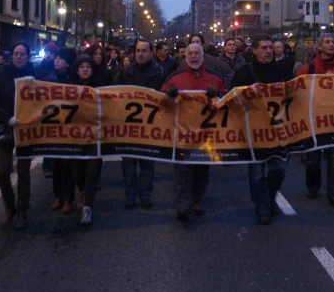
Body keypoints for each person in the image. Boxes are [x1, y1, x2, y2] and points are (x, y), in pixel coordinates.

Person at [161, 42, 227, 223]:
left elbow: (227, 98)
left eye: (197, 53)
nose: (194, 56)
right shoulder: (175, 77)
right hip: (182, 134)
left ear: (203, 56)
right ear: (185, 57)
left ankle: (196, 201)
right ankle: (183, 206)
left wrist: (218, 95)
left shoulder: (215, 77)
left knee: (201, 170)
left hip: (205, 136)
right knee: (182, 170)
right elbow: (161, 99)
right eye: (190, 53)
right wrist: (169, 94)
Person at [231, 34, 290, 225]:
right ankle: (262, 208)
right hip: (254, 131)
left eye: (270, 48)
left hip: (278, 130)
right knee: (257, 171)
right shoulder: (243, 72)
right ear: (254, 50)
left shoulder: (283, 70)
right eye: (263, 48)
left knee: (278, 169)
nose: (268, 51)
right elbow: (232, 98)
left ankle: (269, 196)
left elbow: (297, 95)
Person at [0, 42, 34, 229]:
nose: (19, 57)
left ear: (27, 57)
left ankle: (22, 210)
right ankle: (9, 206)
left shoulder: (34, 76)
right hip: (6, 127)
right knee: (2, 171)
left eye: (22, 54)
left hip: (26, 130)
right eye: (16, 54)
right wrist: (7, 118)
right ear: (11, 56)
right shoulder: (1, 74)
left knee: (23, 173)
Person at [296, 34, 334, 210]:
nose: (331, 45)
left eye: (333, 42)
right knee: (313, 158)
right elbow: (297, 92)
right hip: (313, 120)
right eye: (327, 42)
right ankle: (313, 186)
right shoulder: (307, 68)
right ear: (319, 47)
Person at [115, 39, 166, 208]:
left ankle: (145, 194)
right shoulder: (125, 72)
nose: (140, 54)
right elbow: (114, 95)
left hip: (150, 127)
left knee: (147, 163)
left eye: (144, 50)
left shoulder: (159, 73)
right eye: (138, 50)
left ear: (152, 53)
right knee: (128, 164)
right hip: (128, 127)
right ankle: (130, 195)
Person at [68, 54, 111, 225]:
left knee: (93, 170)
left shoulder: (101, 88)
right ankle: (81, 190)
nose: (85, 70)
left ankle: (87, 206)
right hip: (75, 137)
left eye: (88, 67)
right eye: (82, 67)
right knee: (77, 171)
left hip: (95, 136)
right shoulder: (68, 88)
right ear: (77, 70)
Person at [47, 48, 77, 213]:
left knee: (67, 165)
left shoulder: (74, 81)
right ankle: (57, 196)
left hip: (70, 129)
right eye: (56, 58)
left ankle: (68, 198)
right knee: (56, 164)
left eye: (61, 58)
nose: (56, 60)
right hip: (54, 129)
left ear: (68, 63)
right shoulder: (47, 80)